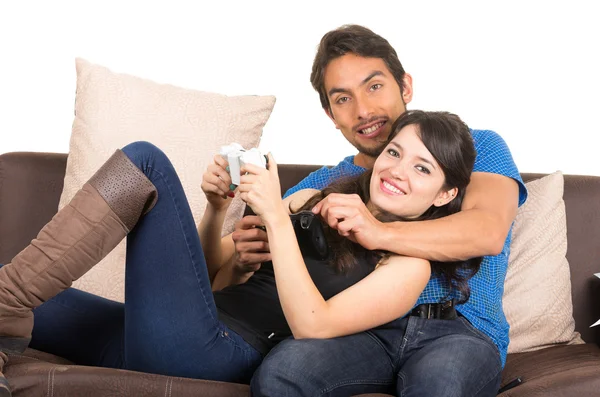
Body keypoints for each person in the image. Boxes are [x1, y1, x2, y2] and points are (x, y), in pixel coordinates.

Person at [0, 110, 479, 397]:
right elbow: (209, 279)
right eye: (394, 153)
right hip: (171, 330)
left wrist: (275, 217)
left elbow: (314, 326)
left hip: (218, 352)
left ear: (444, 195)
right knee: (17, 290)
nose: (398, 171)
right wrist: (216, 209)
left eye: (422, 168)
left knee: (146, 162)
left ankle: (7, 304)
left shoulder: (410, 266)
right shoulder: (313, 199)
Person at [243, 25, 528, 396]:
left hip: (457, 328)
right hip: (360, 330)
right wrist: (247, 246)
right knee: (283, 371)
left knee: (439, 384)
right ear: (330, 114)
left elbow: (487, 231)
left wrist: (378, 232)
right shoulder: (325, 182)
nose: (364, 110)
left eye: (374, 86)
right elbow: (266, 253)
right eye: (343, 99)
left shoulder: (475, 148)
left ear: (405, 87)